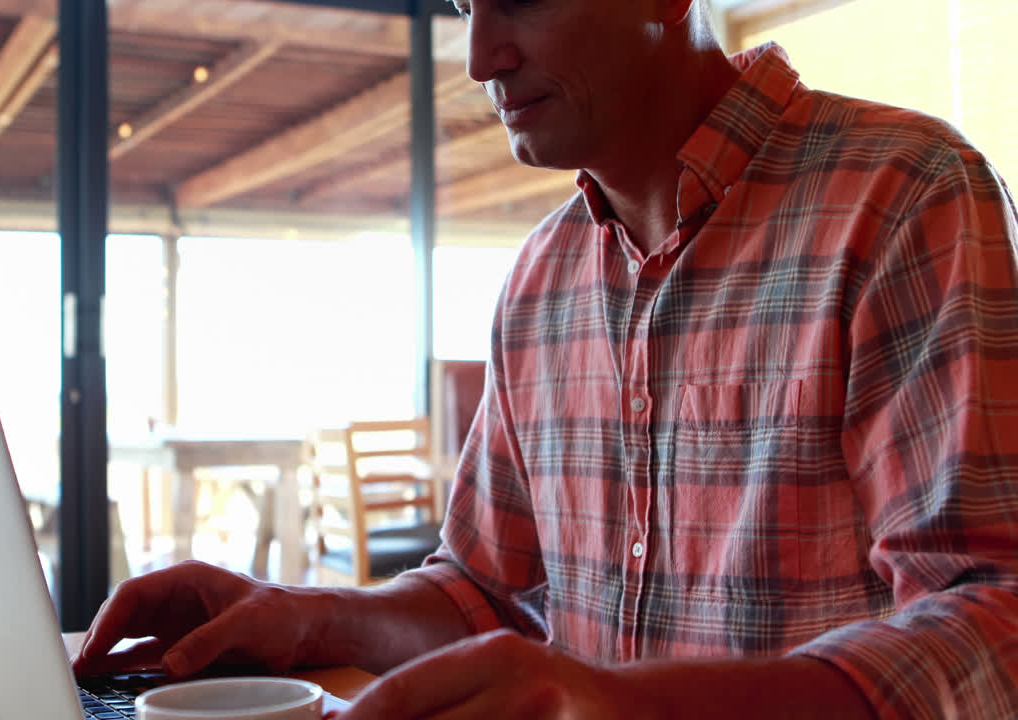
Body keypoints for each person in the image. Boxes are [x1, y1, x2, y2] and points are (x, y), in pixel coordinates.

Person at [74, 0, 1018, 717]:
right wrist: (301, 615)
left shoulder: (903, 197)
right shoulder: (540, 275)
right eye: (463, 5)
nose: (482, 56)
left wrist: (622, 706)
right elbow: (484, 593)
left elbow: (994, 624)